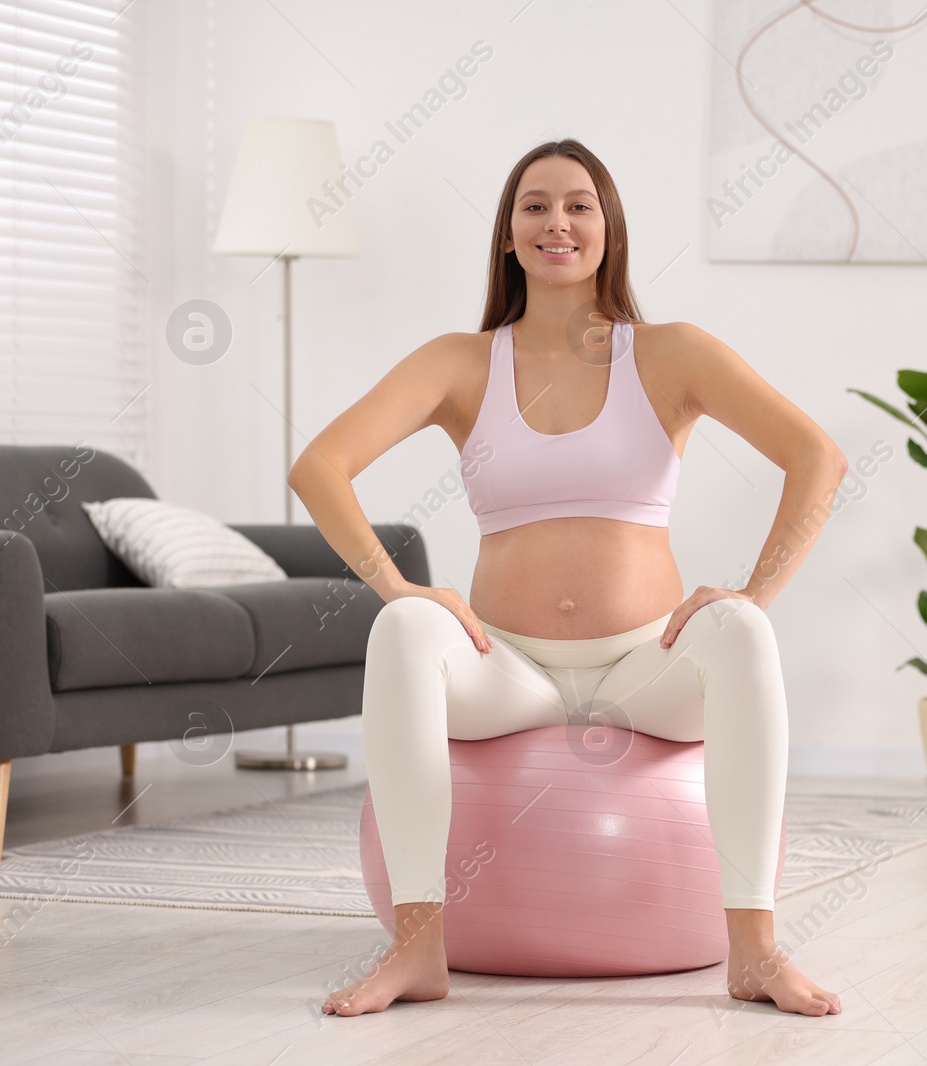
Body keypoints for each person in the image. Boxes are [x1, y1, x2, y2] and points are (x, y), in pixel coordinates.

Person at [287, 139, 848, 1018]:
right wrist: (402, 589)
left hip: (644, 668)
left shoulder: (670, 354)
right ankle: (417, 950)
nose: (558, 222)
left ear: (608, 228)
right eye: (535, 206)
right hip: (506, 670)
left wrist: (752, 591)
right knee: (400, 629)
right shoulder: (461, 363)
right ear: (508, 237)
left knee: (742, 632)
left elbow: (817, 456)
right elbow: (320, 465)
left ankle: (755, 952)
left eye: (579, 205)